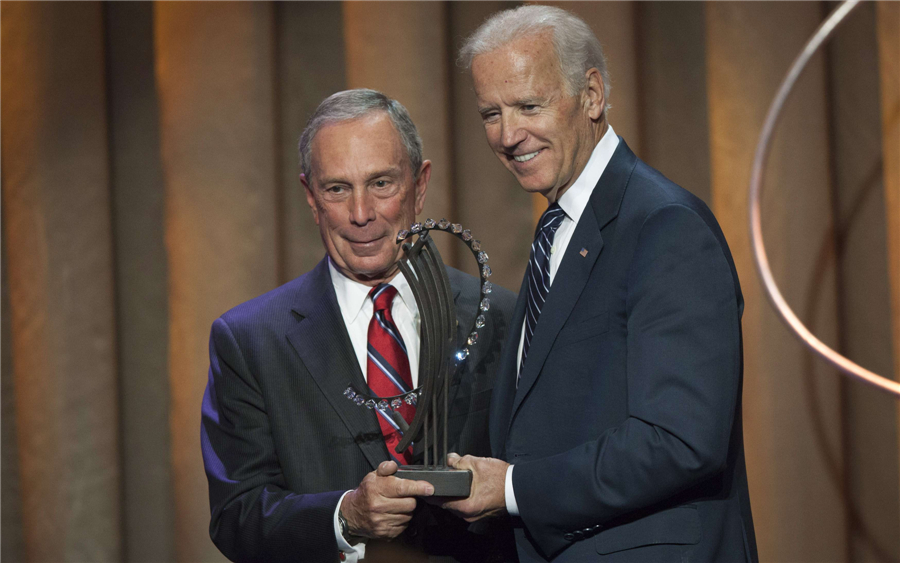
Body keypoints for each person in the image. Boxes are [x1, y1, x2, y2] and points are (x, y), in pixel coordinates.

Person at [440, 6, 758, 562]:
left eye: (528, 106)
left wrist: (512, 488)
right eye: (491, 113)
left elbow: (680, 440)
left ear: (591, 95)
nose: (508, 135)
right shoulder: (559, 227)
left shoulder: (666, 226)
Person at [200, 89, 517, 562]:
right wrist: (344, 516)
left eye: (381, 183)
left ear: (420, 185)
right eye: (337, 189)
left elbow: (536, 479)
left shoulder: (501, 316)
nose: (361, 214)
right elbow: (236, 515)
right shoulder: (249, 341)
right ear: (311, 197)